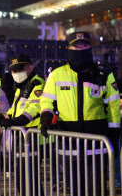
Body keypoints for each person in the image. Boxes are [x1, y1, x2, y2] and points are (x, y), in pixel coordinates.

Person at [40, 32, 121, 196]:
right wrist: (46, 116)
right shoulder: (56, 74)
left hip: (97, 143)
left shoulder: (104, 74)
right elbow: (46, 101)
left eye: (84, 45)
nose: (80, 48)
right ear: (68, 48)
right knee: (75, 189)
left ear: (90, 47)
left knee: (96, 190)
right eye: (76, 45)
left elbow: (113, 105)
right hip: (69, 143)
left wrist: (114, 132)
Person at [0, 54, 46, 196]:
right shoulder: (21, 87)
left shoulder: (37, 83)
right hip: (21, 136)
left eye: (20, 69)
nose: (16, 73)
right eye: (13, 70)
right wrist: (0, 118)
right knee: (21, 179)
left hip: (32, 136)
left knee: (29, 179)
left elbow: (35, 108)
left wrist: (16, 121)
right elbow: (14, 110)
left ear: (30, 67)